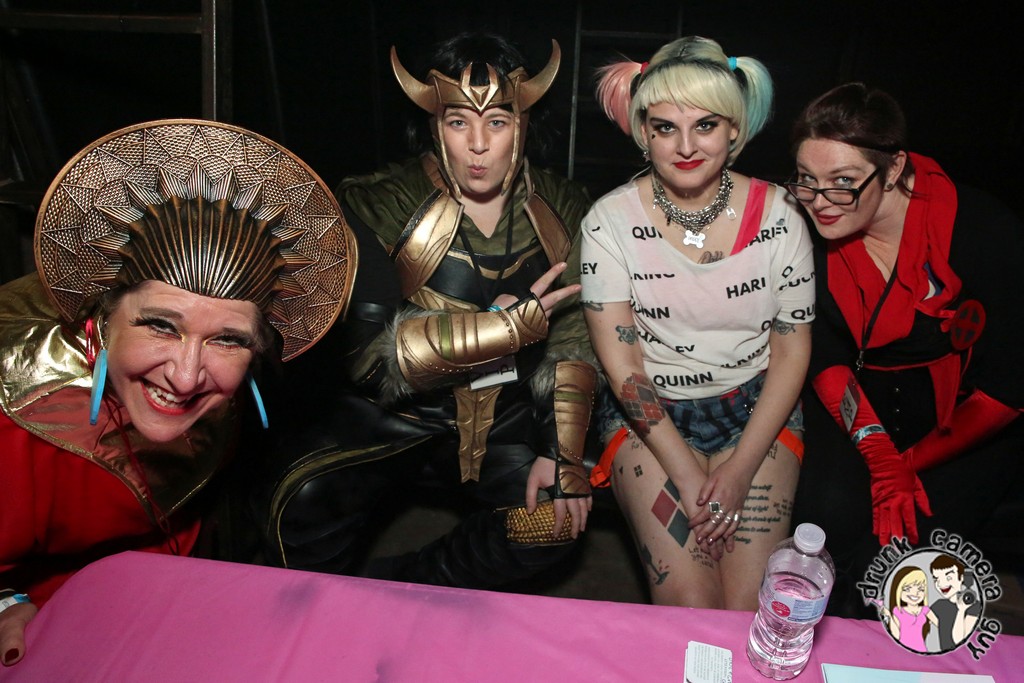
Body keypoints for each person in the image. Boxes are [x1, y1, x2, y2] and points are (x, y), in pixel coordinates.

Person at [0, 119, 356, 667]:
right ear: (101, 320)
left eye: (228, 340)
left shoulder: (219, 389)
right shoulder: (16, 422)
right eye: (161, 327)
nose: (187, 378)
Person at [253, 32, 597, 588]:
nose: (478, 145)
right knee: (297, 500)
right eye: (459, 122)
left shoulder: (565, 207)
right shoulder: (380, 202)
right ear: (435, 124)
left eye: (498, 122)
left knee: (551, 521)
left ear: (524, 124)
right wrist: (499, 331)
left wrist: (562, 453)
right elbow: (368, 357)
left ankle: (413, 585)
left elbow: (574, 336)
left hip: (505, 417)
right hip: (390, 418)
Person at [581, 36, 814, 610]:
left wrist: (738, 471)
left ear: (734, 129)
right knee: (690, 605)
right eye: (665, 128)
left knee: (749, 608)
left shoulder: (782, 216)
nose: (685, 146)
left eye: (705, 125)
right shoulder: (608, 222)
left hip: (755, 410)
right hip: (651, 417)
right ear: (643, 132)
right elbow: (623, 364)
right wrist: (685, 475)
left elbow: (791, 350)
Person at [788, 83, 1024, 617]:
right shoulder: (806, 227)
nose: (819, 202)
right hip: (858, 407)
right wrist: (876, 450)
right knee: (825, 528)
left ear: (893, 168)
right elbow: (824, 351)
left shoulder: (986, 233)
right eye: (806, 180)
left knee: (899, 566)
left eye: (843, 182)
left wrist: (909, 465)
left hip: (962, 423)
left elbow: (1007, 388)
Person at [929, 554, 981, 651]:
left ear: (961, 578)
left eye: (948, 578)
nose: (941, 584)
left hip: (964, 657)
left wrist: (961, 610)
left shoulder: (974, 606)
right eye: (936, 579)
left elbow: (959, 640)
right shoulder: (939, 605)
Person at [880, 566, 937, 652]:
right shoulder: (897, 611)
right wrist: (889, 616)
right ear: (898, 590)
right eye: (907, 589)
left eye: (921, 589)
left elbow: (941, 625)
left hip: (921, 650)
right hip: (902, 651)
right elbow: (896, 635)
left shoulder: (925, 610)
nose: (915, 593)